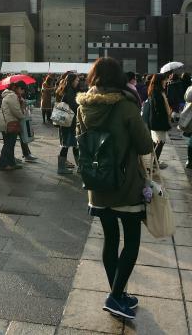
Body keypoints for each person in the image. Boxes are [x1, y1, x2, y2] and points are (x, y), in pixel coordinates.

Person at [77, 57, 153, 320]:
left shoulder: (83, 106)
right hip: (126, 184)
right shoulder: (125, 105)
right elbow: (145, 145)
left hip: (97, 185)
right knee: (131, 240)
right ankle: (115, 295)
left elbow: (81, 145)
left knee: (110, 239)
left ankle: (118, 294)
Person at [0, 82, 25, 171]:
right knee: (8, 145)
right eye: (22, 89)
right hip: (9, 123)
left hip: (6, 122)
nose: (23, 92)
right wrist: (23, 117)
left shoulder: (9, 95)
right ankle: (3, 164)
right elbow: (16, 111)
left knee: (9, 144)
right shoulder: (12, 96)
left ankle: (11, 163)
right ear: (17, 88)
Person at [56, 72, 80, 174]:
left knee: (73, 145)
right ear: (72, 81)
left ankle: (80, 166)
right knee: (67, 145)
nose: (78, 82)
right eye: (77, 80)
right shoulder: (70, 91)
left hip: (68, 122)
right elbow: (74, 106)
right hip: (68, 123)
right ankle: (61, 168)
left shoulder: (69, 90)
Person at [148, 73, 171, 170]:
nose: (166, 82)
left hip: (156, 120)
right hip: (159, 121)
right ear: (160, 81)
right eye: (164, 80)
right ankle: (154, 162)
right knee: (161, 142)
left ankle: (153, 161)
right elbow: (159, 109)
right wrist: (167, 114)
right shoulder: (157, 92)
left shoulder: (155, 90)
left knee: (156, 141)